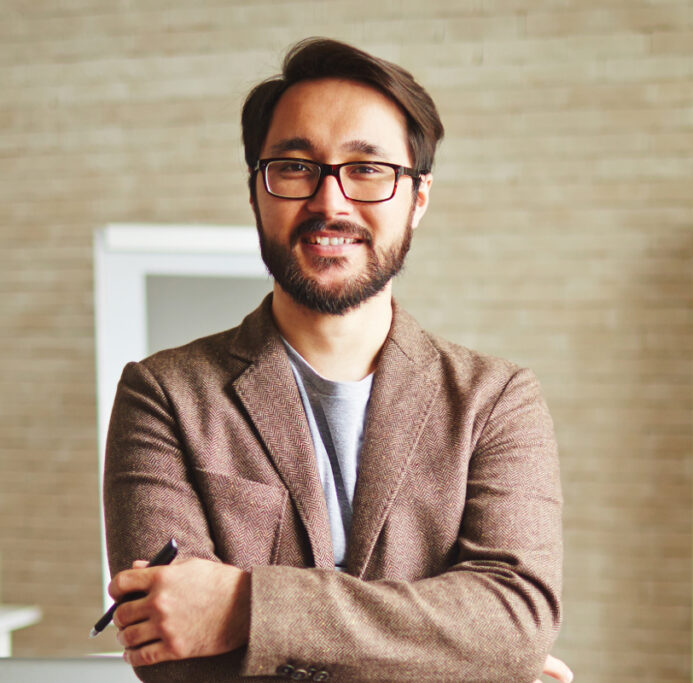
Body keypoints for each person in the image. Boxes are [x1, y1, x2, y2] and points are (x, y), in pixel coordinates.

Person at [103, 37, 570, 683]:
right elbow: (172, 658)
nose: (331, 202)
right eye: (295, 167)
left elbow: (515, 621)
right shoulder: (164, 393)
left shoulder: (496, 399)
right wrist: (458, 653)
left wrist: (242, 604)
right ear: (255, 192)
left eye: (367, 169)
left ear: (419, 197)